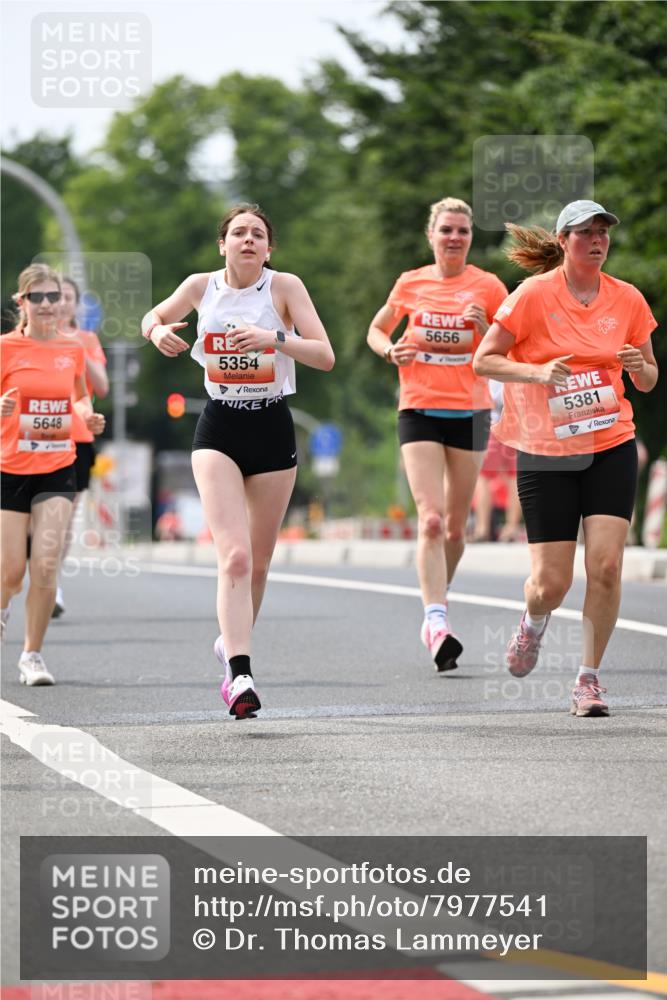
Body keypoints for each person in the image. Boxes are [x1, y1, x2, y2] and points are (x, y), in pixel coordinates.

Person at [141, 203, 334, 718]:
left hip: (272, 426)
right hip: (220, 426)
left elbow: (325, 354)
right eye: (238, 233)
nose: (248, 240)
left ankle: (232, 641)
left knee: (261, 562)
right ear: (221, 245)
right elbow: (155, 315)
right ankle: (240, 675)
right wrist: (157, 330)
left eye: (258, 234)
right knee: (236, 557)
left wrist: (275, 338)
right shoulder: (202, 287)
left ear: (269, 248)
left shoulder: (285, 287)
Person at [474, 200, 658, 717]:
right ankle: (532, 625)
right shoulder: (533, 295)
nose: (597, 241)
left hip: (610, 441)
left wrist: (638, 365)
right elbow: (484, 358)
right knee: (551, 584)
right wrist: (536, 374)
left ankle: (588, 680)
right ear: (563, 241)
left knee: (605, 566)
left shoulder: (627, 300)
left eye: (603, 233)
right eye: (585, 233)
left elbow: (648, 378)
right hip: (546, 450)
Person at [367, 197, 507, 671]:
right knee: (428, 519)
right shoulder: (411, 283)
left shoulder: (488, 286)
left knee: (454, 525)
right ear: (432, 235)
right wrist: (391, 351)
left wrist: (486, 327)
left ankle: (436, 603)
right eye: (446, 229)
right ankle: (436, 619)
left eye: (463, 231)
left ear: (471, 238)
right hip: (420, 407)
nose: (454, 238)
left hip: (470, 412)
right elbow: (376, 329)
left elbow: (513, 343)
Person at [0, 264, 105, 684]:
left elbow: (78, 394)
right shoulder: (5, 348)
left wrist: (86, 415)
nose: (47, 305)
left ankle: (32, 655)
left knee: (44, 565)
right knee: (10, 571)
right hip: (9, 468)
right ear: (21, 302)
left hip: (57, 466)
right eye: (38, 297)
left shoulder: (72, 347)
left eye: (54, 297)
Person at [52, 276, 109, 617]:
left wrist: (79, 349)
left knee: (63, 520)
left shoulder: (87, 339)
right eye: (55, 297)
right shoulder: (31, 342)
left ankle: (52, 586)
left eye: (68, 297)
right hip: (36, 439)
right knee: (30, 519)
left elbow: (100, 385)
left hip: (77, 439)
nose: (60, 303)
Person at [471, 380, 523, 542]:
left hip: (491, 421)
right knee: (515, 477)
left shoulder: (489, 356)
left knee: (484, 477)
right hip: (517, 422)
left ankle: (482, 529)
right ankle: (512, 528)